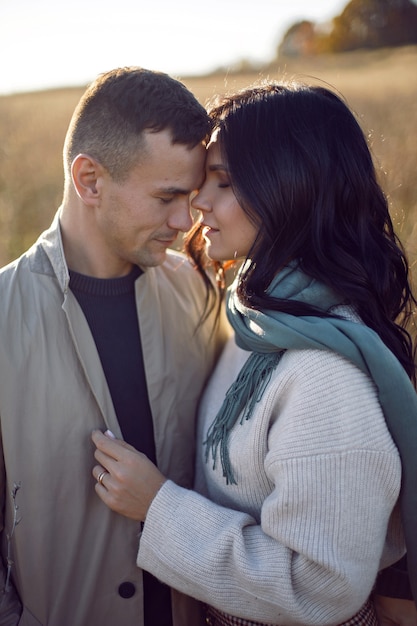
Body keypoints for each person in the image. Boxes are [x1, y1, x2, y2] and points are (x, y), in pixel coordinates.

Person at [91, 80, 417, 625]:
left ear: (287, 189)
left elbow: (321, 586)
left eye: (223, 182)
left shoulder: (323, 375)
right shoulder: (257, 318)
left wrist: (158, 507)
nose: (198, 202)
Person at [0, 67, 228, 626]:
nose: (185, 220)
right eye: (167, 197)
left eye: (191, 197)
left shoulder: (200, 293)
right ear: (90, 181)